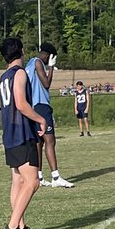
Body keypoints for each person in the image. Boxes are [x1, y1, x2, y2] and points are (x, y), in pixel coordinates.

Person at [0, 37, 47, 229]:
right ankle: (12, 226)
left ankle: (20, 226)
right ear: (21, 50)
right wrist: (40, 119)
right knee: (32, 182)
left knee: (18, 181)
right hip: (21, 133)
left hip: (10, 133)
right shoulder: (19, 73)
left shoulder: (3, 76)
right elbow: (20, 103)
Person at [26, 43, 73, 188]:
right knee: (50, 140)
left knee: (39, 142)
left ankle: (39, 176)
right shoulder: (38, 62)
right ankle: (55, 176)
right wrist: (51, 68)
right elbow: (46, 84)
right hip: (41, 104)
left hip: (33, 106)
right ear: (48, 55)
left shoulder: (29, 63)